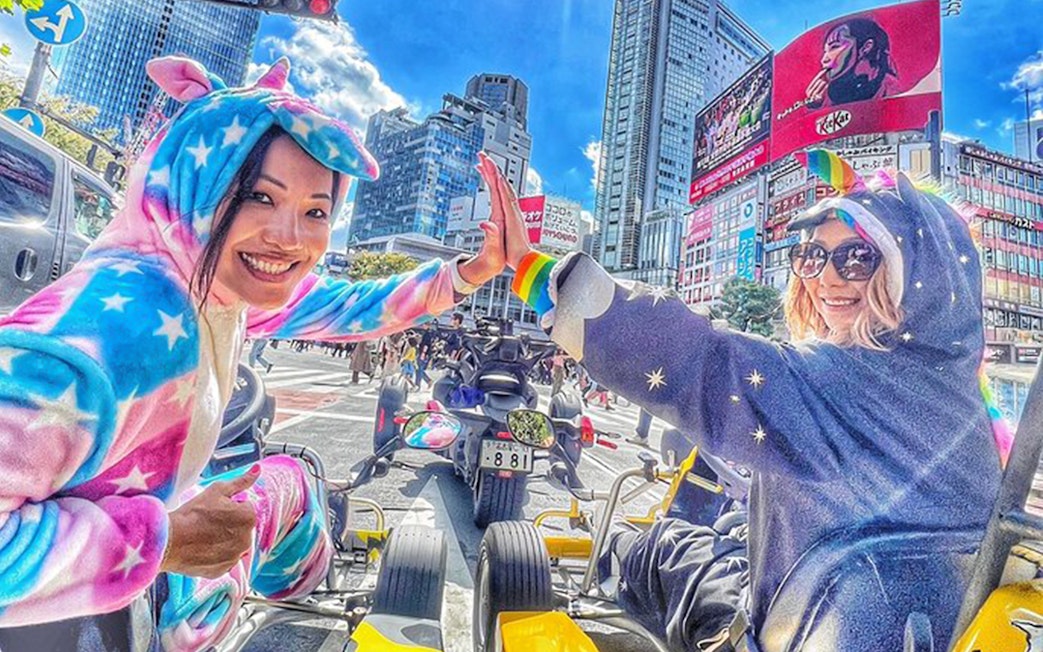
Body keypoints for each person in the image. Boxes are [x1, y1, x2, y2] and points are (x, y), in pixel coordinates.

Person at [0, 57, 506, 652]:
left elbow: (347, 305)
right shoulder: (112, 332)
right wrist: (164, 540)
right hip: (141, 615)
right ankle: (308, 581)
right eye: (261, 198)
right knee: (285, 484)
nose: (291, 237)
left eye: (316, 211)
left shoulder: (204, 285)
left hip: (120, 591)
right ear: (198, 185)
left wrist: (476, 269)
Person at [477, 149, 1008, 650]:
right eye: (812, 255)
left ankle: (614, 556)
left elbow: (694, 358)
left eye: (856, 258)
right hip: (916, 615)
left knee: (668, 548)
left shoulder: (837, 383)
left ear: (915, 274)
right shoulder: (960, 396)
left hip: (788, 621)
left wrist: (528, 266)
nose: (825, 277)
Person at [805, 18, 900, 110]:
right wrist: (815, 106)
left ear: (866, 47)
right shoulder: (831, 95)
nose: (824, 59)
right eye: (825, 51)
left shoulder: (889, 87)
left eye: (834, 47)